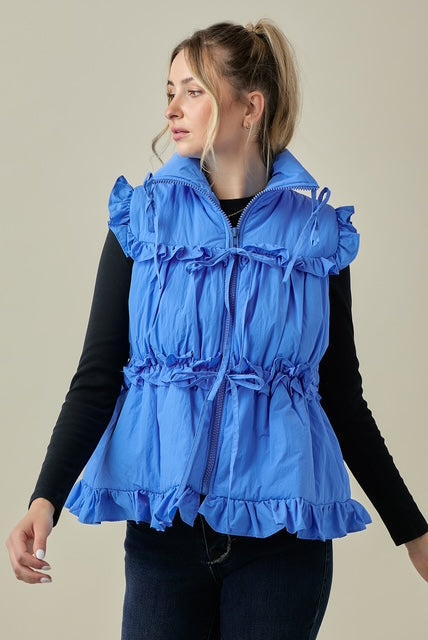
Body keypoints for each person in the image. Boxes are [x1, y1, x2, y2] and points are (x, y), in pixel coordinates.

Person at [6, 19, 428, 640]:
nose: (172, 109)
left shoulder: (315, 236)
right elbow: (98, 376)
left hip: (282, 543)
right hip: (164, 539)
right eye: (169, 91)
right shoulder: (144, 221)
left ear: (250, 107)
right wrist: (44, 501)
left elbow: (341, 396)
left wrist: (413, 532)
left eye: (193, 91)